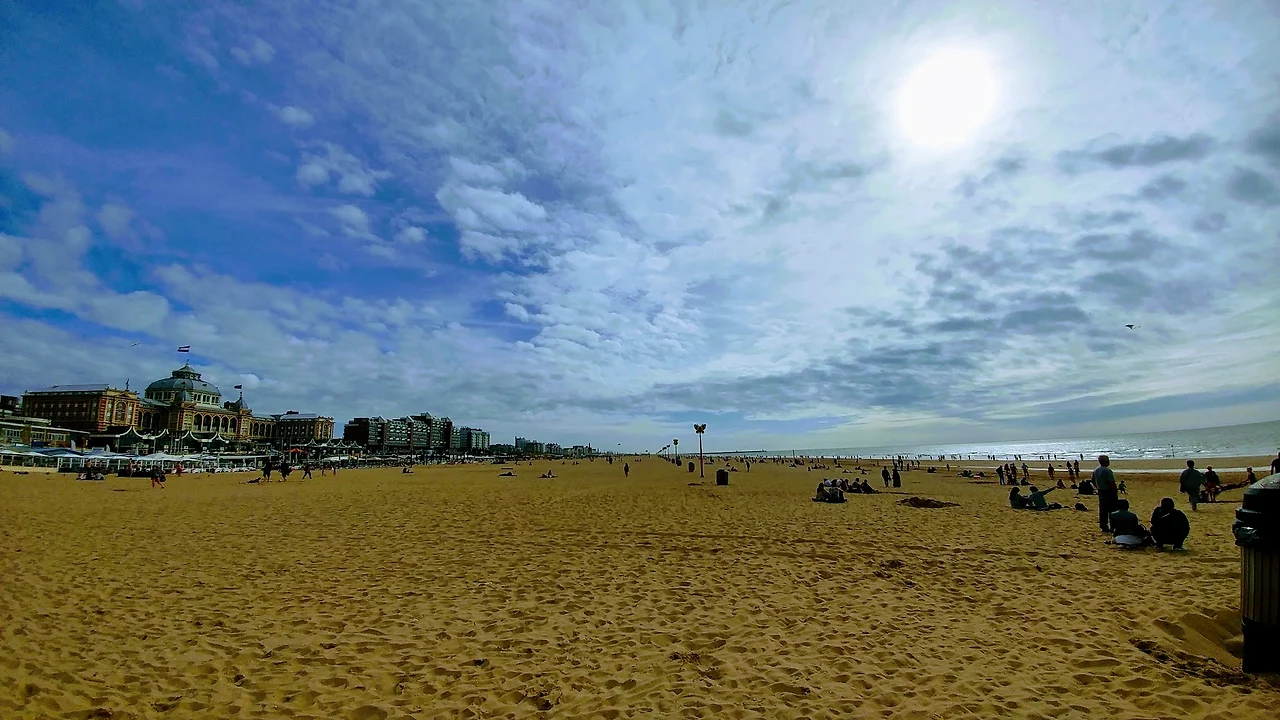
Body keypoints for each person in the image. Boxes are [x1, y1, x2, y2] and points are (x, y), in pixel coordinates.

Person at [1092, 454, 1118, 532]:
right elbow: (1112, 482)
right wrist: (1115, 490)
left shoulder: (1096, 470)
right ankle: (1113, 526)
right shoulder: (1108, 471)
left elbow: (1093, 480)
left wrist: (1097, 486)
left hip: (1101, 491)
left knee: (1103, 509)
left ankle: (1103, 526)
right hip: (1109, 491)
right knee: (1112, 509)